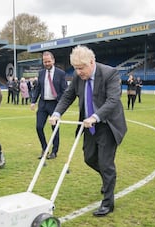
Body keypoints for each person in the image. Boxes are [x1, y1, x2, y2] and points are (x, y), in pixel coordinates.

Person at [49, 45, 127, 217]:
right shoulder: (78, 78)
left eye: (81, 68)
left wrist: (95, 117)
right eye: (76, 69)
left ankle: (108, 203)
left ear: (91, 62)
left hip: (107, 124)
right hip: (88, 126)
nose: (78, 72)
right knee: (89, 158)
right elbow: (68, 96)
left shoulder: (110, 74)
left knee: (105, 163)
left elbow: (113, 100)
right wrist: (56, 113)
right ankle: (109, 179)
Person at [31, 51, 67, 160]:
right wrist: (33, 101)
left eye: (48, 61)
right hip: (43, 104)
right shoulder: (41, 73)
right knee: (39, 127)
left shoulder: (61, 74)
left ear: (53, 61)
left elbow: (64, 90)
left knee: (54, 128)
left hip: (55, 104)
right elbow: (37, 88)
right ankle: (44, 148)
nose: (46, 63)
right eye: (44, 61)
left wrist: (61, 105)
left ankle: (54, 151)